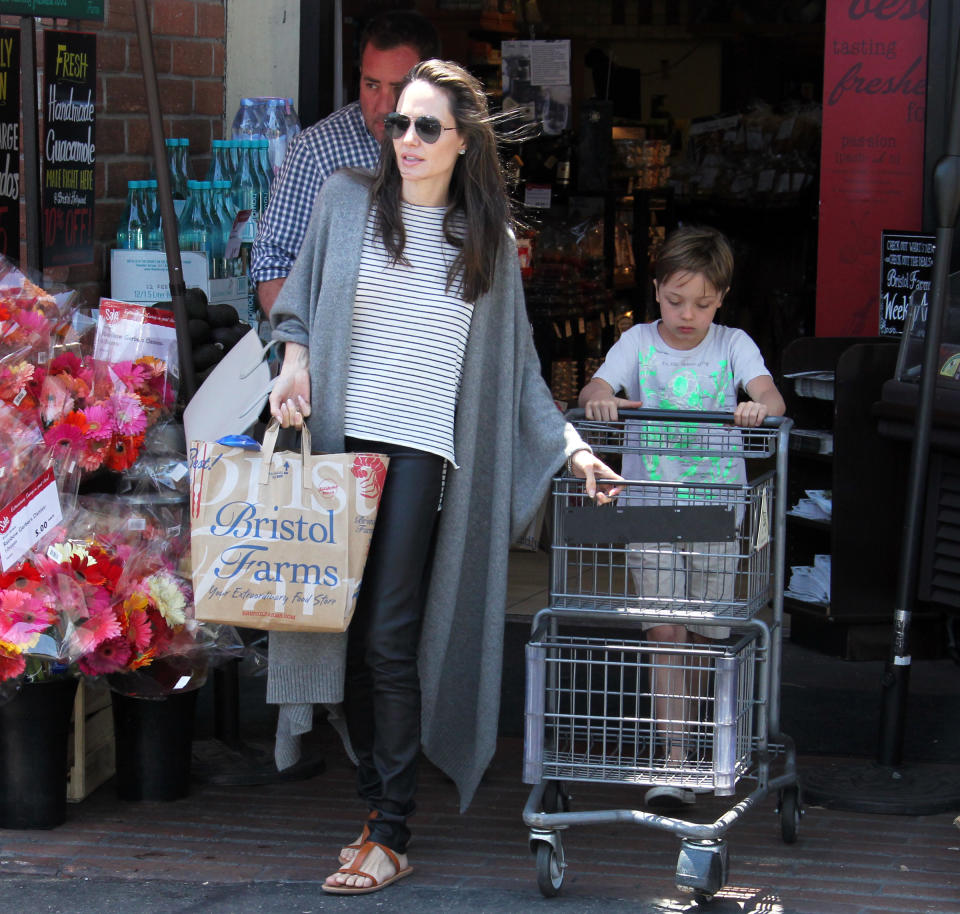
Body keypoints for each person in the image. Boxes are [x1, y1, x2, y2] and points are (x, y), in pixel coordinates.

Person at [267, 59, 623, 895]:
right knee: (342, 629)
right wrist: (293, 359)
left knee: (391, 630)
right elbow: (297, 306)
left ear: (464, 143)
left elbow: (521, 375)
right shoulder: (346, 202)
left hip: (423, 451)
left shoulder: (486, 243)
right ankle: (372, 810)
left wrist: (571, 448)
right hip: (336, 449)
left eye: (429, 127)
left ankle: (392, 830)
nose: (409, 140)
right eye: (398, 124)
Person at [578, 224, 786, 809]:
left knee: (702, 633)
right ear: (656, 291)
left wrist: (755, 406)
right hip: (650, 505)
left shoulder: (733, 344)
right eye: (675, 301)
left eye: (701, 302)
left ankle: (692, 744)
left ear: (721, 298)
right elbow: (599, 383)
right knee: (665, 629)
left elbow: (772, 398)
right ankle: (673, 757)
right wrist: (600, 396)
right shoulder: (637, 341)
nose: (687, 314)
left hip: (717, 512)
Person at [250, 9, 440, 316]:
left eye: (399, 88)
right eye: (372, 85)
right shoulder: (318, 150)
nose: (383, 106)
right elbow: (274, 260)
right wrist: (305, 346)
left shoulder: (455, 146)